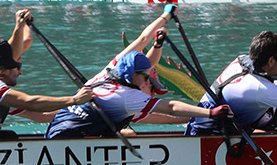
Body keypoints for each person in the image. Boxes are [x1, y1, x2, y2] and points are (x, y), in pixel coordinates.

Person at [46, 50, 232, 138]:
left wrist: (157, 44)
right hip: (70, 139)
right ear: (133, 75)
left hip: (54, 132)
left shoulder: (103, 75)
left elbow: (140, 45)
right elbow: (171, 107)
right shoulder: (129, 97)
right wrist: (210, 113)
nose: (147, 82)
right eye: (146, 78)